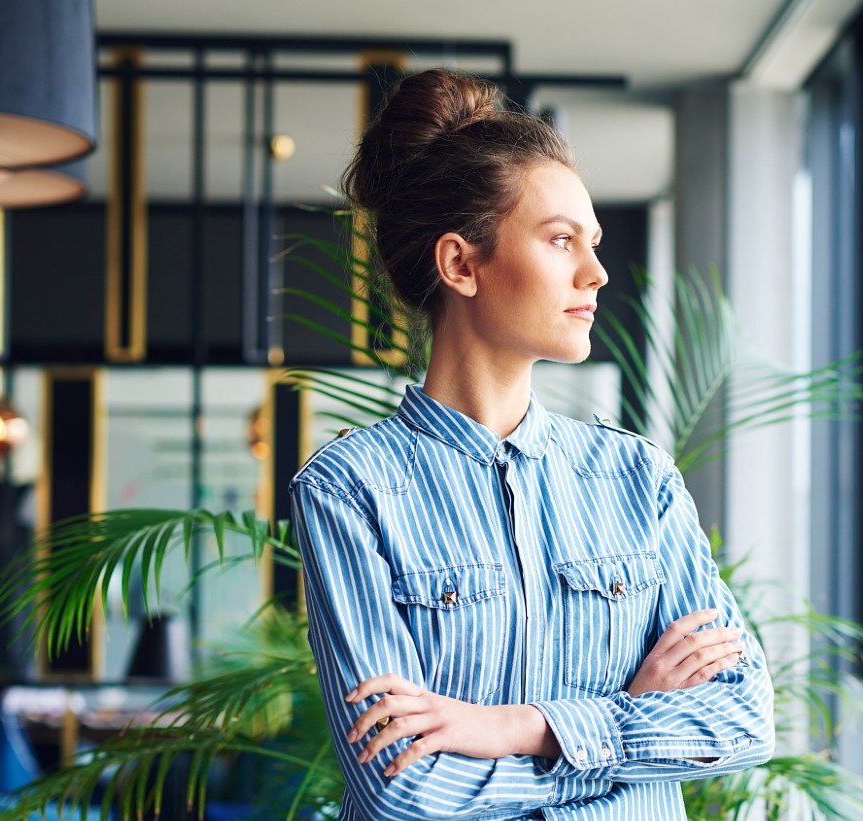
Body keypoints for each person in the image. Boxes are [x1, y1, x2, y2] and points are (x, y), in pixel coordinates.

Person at [289, 68, 774, 821]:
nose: (597, 271)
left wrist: (520, 726)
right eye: (560, 240)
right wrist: (623, 725)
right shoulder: (351, 488)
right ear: (460, 263)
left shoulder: (637, 478)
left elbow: (742, 719)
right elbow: (403, 789)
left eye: (594, 242)